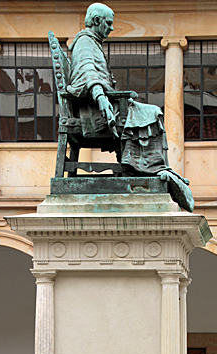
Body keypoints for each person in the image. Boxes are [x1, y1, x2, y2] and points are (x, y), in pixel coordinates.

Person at [67, 2, 194, 212]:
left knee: (151, 112)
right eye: (108, 23)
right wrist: (103, 101)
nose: (111, 28)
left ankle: (155, 168)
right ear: (97, 21)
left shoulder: (92, 43)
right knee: (152, 114)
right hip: (94, 113)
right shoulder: (84, 43)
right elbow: (88, 75)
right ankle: (149, 169)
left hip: (103, 106)